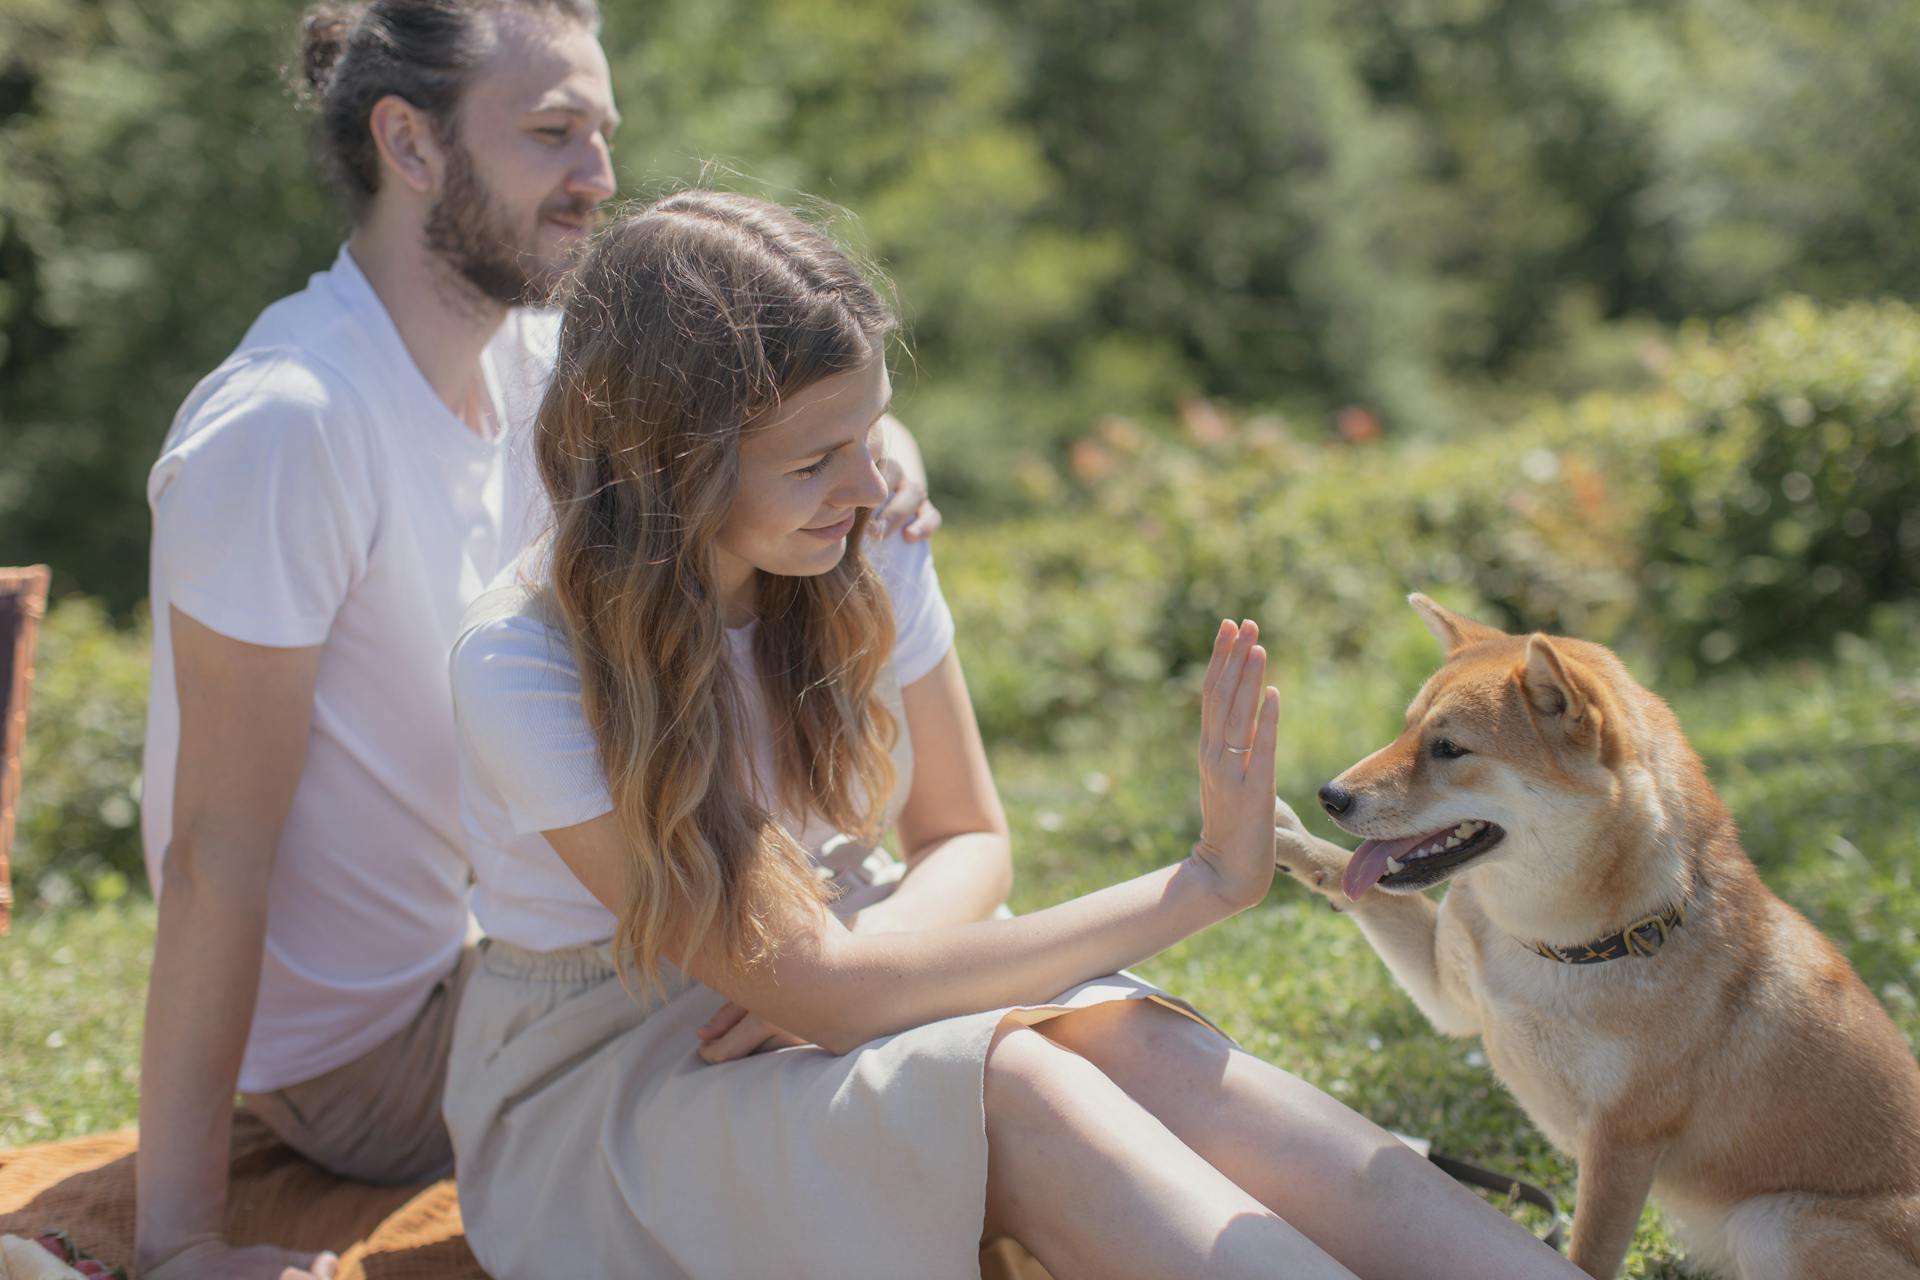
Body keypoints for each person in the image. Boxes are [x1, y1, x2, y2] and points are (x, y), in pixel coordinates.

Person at [441, 191, 1585, 1280]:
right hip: (621, 1071)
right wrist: (1198, 884)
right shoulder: (524, 663)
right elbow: (825, 995)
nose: (871, 480)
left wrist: (861, 957)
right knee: (1013, 1081)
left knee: (1120, 1038)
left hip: (848, 955)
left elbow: (964, 835)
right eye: (814, 460)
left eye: (874, 429)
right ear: (673, 469)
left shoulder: (860, 535)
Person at [132, 6, 936, 1279]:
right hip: (384, 1040)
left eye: (602, 132)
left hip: (535, 932)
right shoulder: (287, 425)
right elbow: (213, 850)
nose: (600, 179)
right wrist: (180, 1240)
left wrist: (879, 449)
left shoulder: (543, 369)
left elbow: (781, 410)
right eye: (553, 133)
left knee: (891, 981)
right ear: (410, 142)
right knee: (868, 1006)